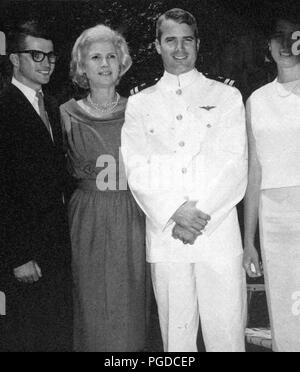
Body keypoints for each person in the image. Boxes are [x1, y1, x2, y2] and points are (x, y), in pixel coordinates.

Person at [121, 8, 248, 352]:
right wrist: (176, 211)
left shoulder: (226, 97)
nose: (179, 49)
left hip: (217, 234)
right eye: (170, 40)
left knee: (227, 335)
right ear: (157, 45)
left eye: (187, 40)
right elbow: (136, 167)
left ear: (198, 44)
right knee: (176, 340)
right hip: (167, 236)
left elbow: (235, 166)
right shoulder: (139, 102)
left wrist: (198, 215)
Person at [60, 24, 148, 352]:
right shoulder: (64, 113)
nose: (105, 63)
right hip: (87, 216)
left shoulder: (140, 109)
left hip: (131, 211)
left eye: (111, 56)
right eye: (95, 57)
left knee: (131, 301)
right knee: (91, 301)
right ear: (81, 65)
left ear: (122, 62)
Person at [0, 20, 72, 352]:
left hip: (54, 248)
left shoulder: (52, 105)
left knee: (55, 335)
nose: (46, 63)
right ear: (14, 59)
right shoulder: (5, 107)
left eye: (51, 56)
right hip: (25, 255)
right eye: (36, 55)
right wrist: (17, 256)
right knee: (25, 338)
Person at [243, 15, 300, 352]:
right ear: (269, 46)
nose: (285, 46)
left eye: (291, 37)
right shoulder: (257, 100)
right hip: (274, 217)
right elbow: (254, 171)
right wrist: (249, 239)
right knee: (285, 307)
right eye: (276, 38)